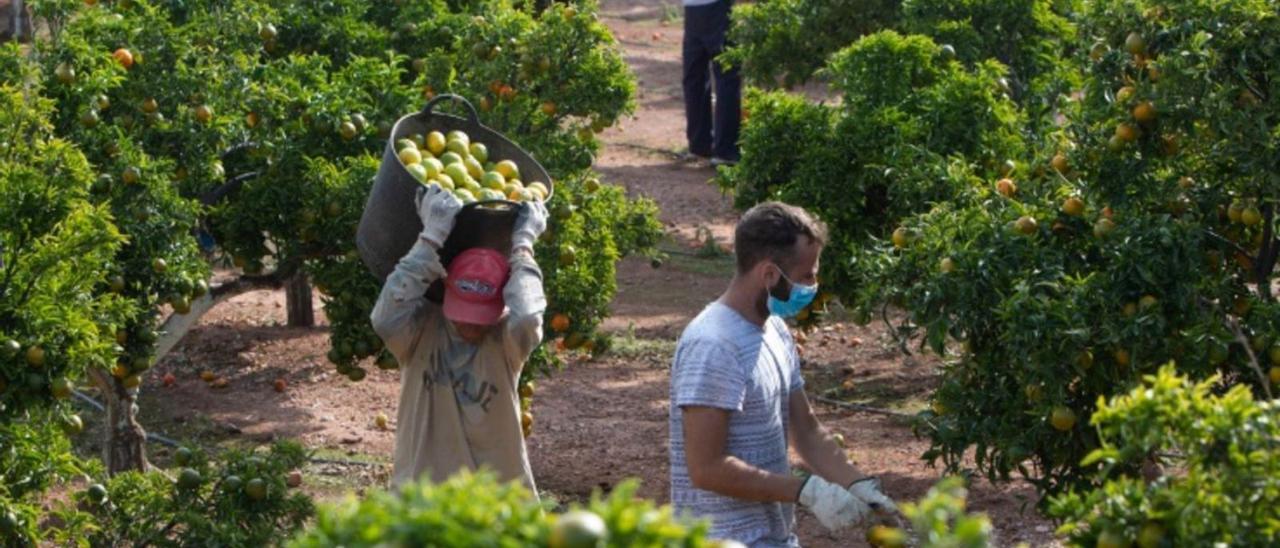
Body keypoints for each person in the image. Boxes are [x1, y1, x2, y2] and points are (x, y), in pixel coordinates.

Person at [669, 202, 897, 546]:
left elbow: (805, 429)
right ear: (770, 275)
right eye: (806, 275)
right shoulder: (713, 345)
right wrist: (807, 490)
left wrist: (860, 486)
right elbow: (706, 468)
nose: (813, 285)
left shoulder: (774, 330)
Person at [371, 185, 548, 491]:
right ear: (447, 290)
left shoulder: (505, 343)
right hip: (421, 496)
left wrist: (523, 247)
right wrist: (430, 239)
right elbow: (384, 317)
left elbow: (530, 316)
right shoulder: (420, 331)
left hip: (494, 502)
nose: (470, 324)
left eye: (480, 315)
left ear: (501, 305)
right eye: (464, 311)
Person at [682, 0, 742, 166]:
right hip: (717, 7)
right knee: (727, 76)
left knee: (695, 78)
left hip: (692, 7)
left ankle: (699, 146)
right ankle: (725, 150)